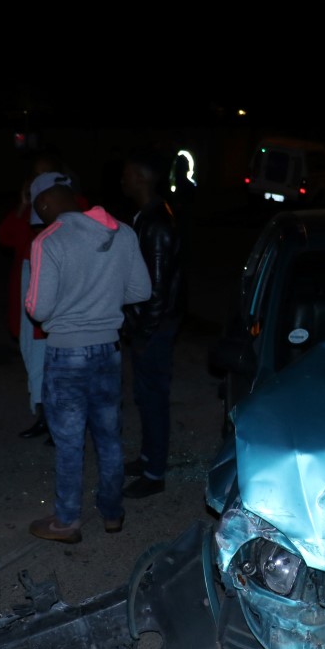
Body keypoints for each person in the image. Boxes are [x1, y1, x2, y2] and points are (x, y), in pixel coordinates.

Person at [24, 172, 150, 543]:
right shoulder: (122, 232)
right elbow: (141, 291)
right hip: (109, 350)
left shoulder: (49, 240)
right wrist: (102, 298)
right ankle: (112, 512)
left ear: (45, 203)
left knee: (69, 442)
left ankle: (67, 520)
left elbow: (39, 309)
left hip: (67, 354)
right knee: (109, 436)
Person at [0, 150, 88, 444]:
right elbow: (5, 237)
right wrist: (23, 204)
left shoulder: (70, 203)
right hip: (30, 284)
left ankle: (62, 419)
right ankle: (45, 415)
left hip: (60, 291)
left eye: (45, 173)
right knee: (34, 354)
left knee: (59, 358)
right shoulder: (33, 204)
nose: (39, 179)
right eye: (35, 174)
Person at [119, 148, 187, 499]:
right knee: (145, 397)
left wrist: (143, 332)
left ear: (143, 177)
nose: (123, 179)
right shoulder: (148, 216)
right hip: (150, 325)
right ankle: (148, 459)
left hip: (154, 327)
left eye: (128, 173)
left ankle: (154, 473)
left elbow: (156, 288)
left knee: (153, 397)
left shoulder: (157, 222)